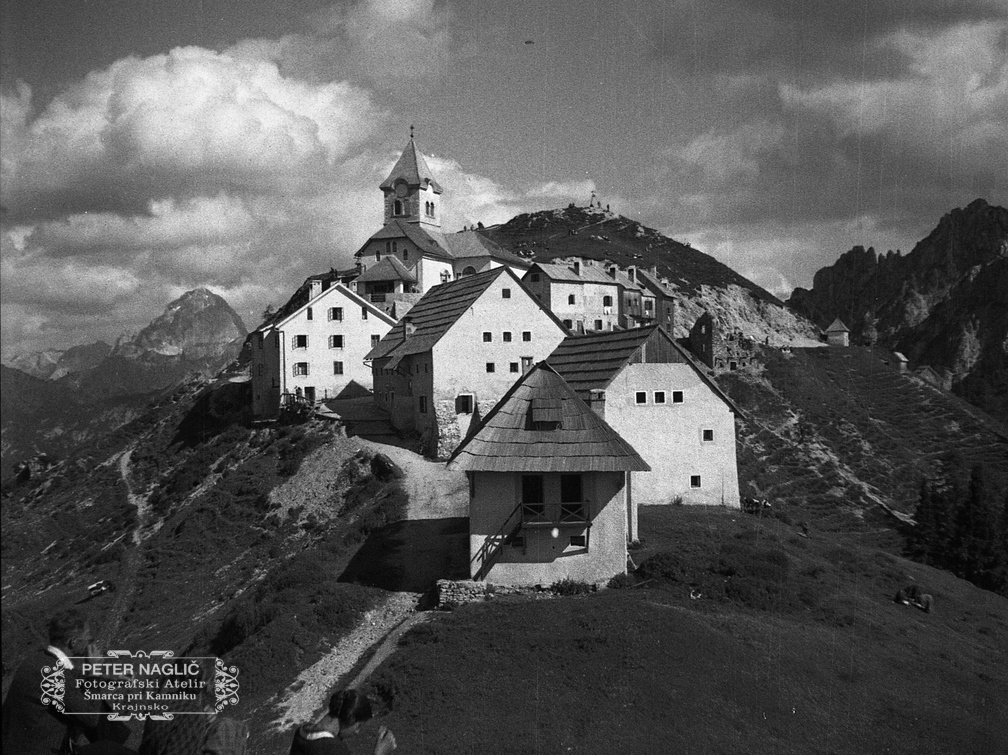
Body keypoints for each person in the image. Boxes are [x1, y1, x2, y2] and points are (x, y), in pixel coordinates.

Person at [1, 608, 104, 754]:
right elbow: (91, 719)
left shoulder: (36, 660)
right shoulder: (57, 674)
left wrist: (109, 677)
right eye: (88, 639)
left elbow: (71, 677)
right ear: (73, 642)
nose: (90, 644)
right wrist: (95, 674)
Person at [290, 689, 396, 755]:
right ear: (351, 719)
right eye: (358, 726)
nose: (357, 732)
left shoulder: (302, 731)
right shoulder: (333, 748)